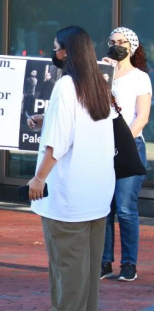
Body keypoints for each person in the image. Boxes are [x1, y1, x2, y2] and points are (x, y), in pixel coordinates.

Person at [28, 26, 114, 311]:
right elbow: (84, 125)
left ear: (67, 51)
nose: (54, 52)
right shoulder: (99, 85)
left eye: (56, 47)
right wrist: (47, 117)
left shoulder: (67, 85)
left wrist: (39, 178)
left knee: (68, 274)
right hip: (97, 195)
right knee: (88, 275)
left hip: (69, 198)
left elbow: (57, 143)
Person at [101, 27, 151, 282]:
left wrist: (123, 141)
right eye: (112, 42)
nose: (116, 45)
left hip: (130, 147)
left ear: (131, 46)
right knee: (105, 208)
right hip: (102, 149)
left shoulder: (140, 77)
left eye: (121, 42)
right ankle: (105, 261)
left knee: (125, 207)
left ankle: (129, 263)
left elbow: (141, 117)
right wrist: (106, 73)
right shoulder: (102, 73)